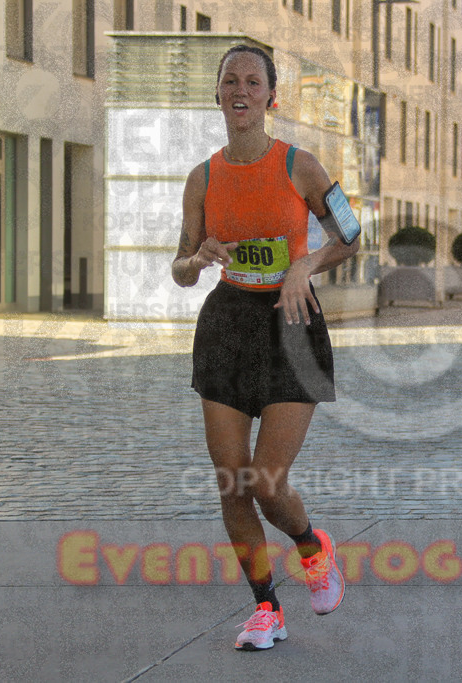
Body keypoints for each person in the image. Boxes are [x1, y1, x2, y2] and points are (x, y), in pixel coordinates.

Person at [171, 45, 360, 651]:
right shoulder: (202, 177)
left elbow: (351, 235)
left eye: (253, 81)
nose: (241, 90)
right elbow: (178, 266)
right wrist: (197, 258)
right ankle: (266, 609)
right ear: (219, 94)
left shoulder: (300, 166)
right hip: (226, 327)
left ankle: (312, 548)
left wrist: (307, 261)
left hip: (290, 326)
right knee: (231, 480)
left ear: (270, 96)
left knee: (266, 481)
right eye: (231, 81)